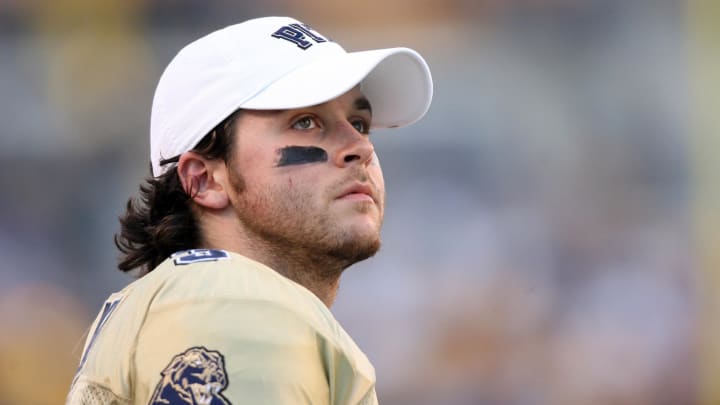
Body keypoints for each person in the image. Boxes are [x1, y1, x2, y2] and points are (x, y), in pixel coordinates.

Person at [66, 16, 432, 405]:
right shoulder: (237, 303)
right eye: (305, 122)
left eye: (359, 122)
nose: (361, 146)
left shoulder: (195, 299)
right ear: (204, 179)